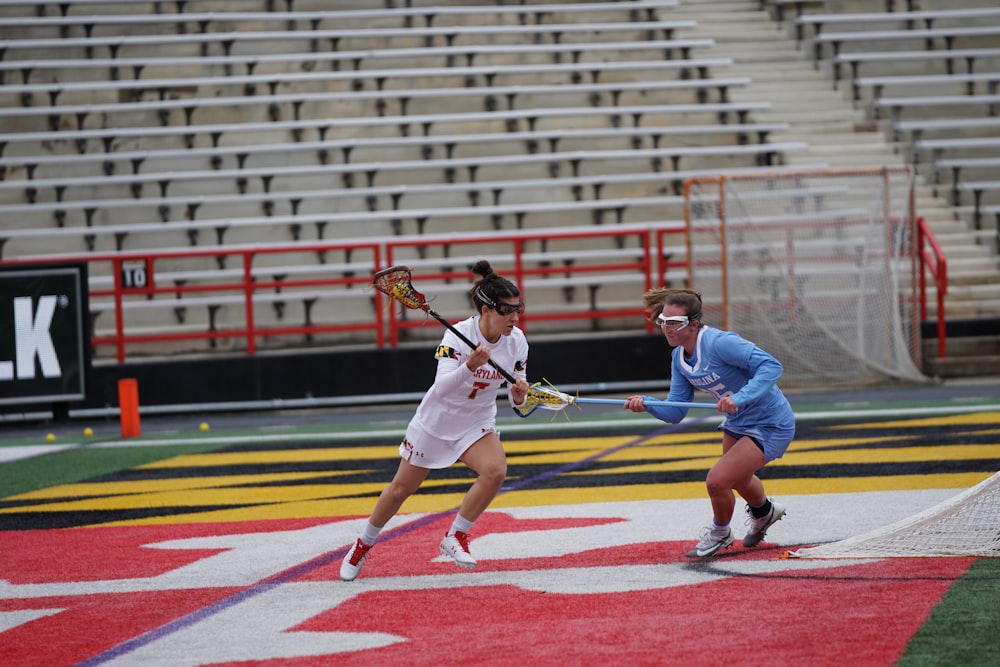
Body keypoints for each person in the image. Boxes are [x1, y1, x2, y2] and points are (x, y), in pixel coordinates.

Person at [340, 260, 530, 581]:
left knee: (495, 470)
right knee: (401, 489)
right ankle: (363, 544)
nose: (514, 317)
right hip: (436, 422)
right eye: (507, 311)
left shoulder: (517, 341)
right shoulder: (456, 336)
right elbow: (440, 389)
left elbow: (516, 400)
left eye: (518, 310)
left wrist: (519, 393)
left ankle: (456, 536)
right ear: (486, 311)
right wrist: (469, 366)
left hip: (476, 423)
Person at [624, 288, 795, 558]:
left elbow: (771, 366)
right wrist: (647, 404)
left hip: (771, 422)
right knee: (737, 479)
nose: (667, 329)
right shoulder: (679, 357)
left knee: (717, 481)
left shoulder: (718, 343)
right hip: (739, 421)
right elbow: (676, 411)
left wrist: (739, 397)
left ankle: (721, 531)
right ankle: (765, 511)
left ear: (693, 323)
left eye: (674, 323)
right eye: (663, 322)